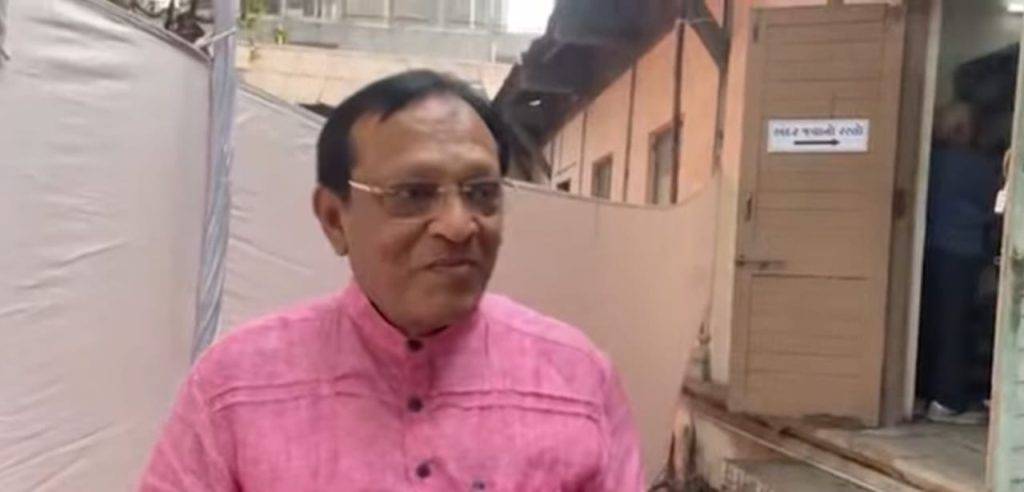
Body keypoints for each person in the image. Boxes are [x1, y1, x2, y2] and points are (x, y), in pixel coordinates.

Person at [138, 70, 644, 491]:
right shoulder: (236, 387)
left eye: (481, 192)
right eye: (413, 194)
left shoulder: (578, 381)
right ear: (334, 218)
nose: (458, 225)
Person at [917, 102, 1003, 425]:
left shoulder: (927, 161)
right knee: (955, 327)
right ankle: (948, 401)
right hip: (962, 253)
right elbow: (995, 209)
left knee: (932, 322)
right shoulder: (979, 167)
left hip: (929, 250)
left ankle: (925, 392)